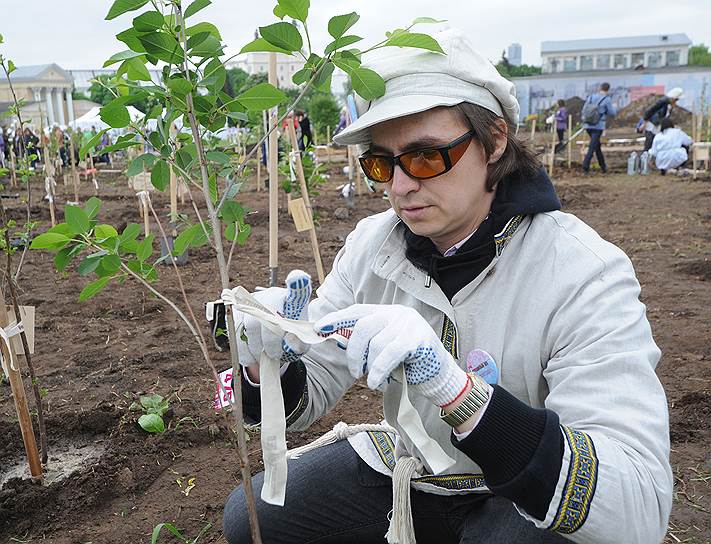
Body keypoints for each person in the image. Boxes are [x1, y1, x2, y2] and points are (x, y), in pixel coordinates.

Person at [222, 29, 671, 544]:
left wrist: (457, 393)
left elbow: (638, 507)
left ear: (494, 140)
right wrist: (267, 362)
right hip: (415, 466)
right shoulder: (374, 246)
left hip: (520, 491)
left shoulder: (581, 272)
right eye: (380, 162)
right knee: (250, 516)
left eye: (425, 156)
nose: (400, 185)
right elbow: (319, 376)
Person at [582, 82, 617, 174]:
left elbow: (584, 109)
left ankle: (603, 166)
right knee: (592, 146)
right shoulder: (607, 99)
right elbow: (612, 113)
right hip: (598, 126)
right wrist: (615, 107)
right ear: (608, 89)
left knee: (597, 146)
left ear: (600, 88)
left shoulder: (591, 97)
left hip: (588, 125)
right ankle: (585, 166)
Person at [642, 88, 683, 152]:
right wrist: (645, 120)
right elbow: (650, 110)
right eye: (676, 100)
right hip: (653, 125)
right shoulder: (662, 102)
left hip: (657, 125)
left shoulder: (668, 104)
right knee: (650, 144)